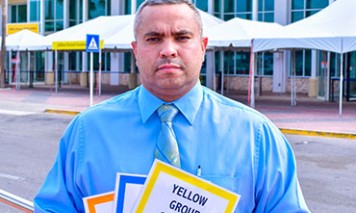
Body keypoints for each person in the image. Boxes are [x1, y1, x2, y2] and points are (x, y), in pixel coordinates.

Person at [34, 0, 310, 212]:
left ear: (203, 47)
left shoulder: (256, 136)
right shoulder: (88, 131)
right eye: (154, 38)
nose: (168, 49)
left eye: (182, 37)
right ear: (136, 50)